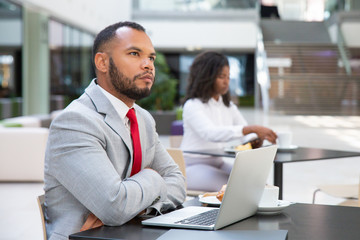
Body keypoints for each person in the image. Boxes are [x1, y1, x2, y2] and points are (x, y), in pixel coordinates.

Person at [44, 21, 186, 240]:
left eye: (151, 57)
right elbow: (115, 206)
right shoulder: (74, 122)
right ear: (102, 62)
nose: (148, 64)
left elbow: (178, 182)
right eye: (134, 53)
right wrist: (152, 177)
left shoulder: (143, 118)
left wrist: (139, 208)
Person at [180, 51, 277, 192]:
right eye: (221, 77)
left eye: (228, 76)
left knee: (257, 181)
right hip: (191, 167)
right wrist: (251, 129)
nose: (227, 81)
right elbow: (210, 133)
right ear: (206, 77)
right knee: (234, 187)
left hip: (218, 162)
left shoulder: (227, 106)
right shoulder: (193, 105)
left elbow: (244, 130)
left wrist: (255, 138)